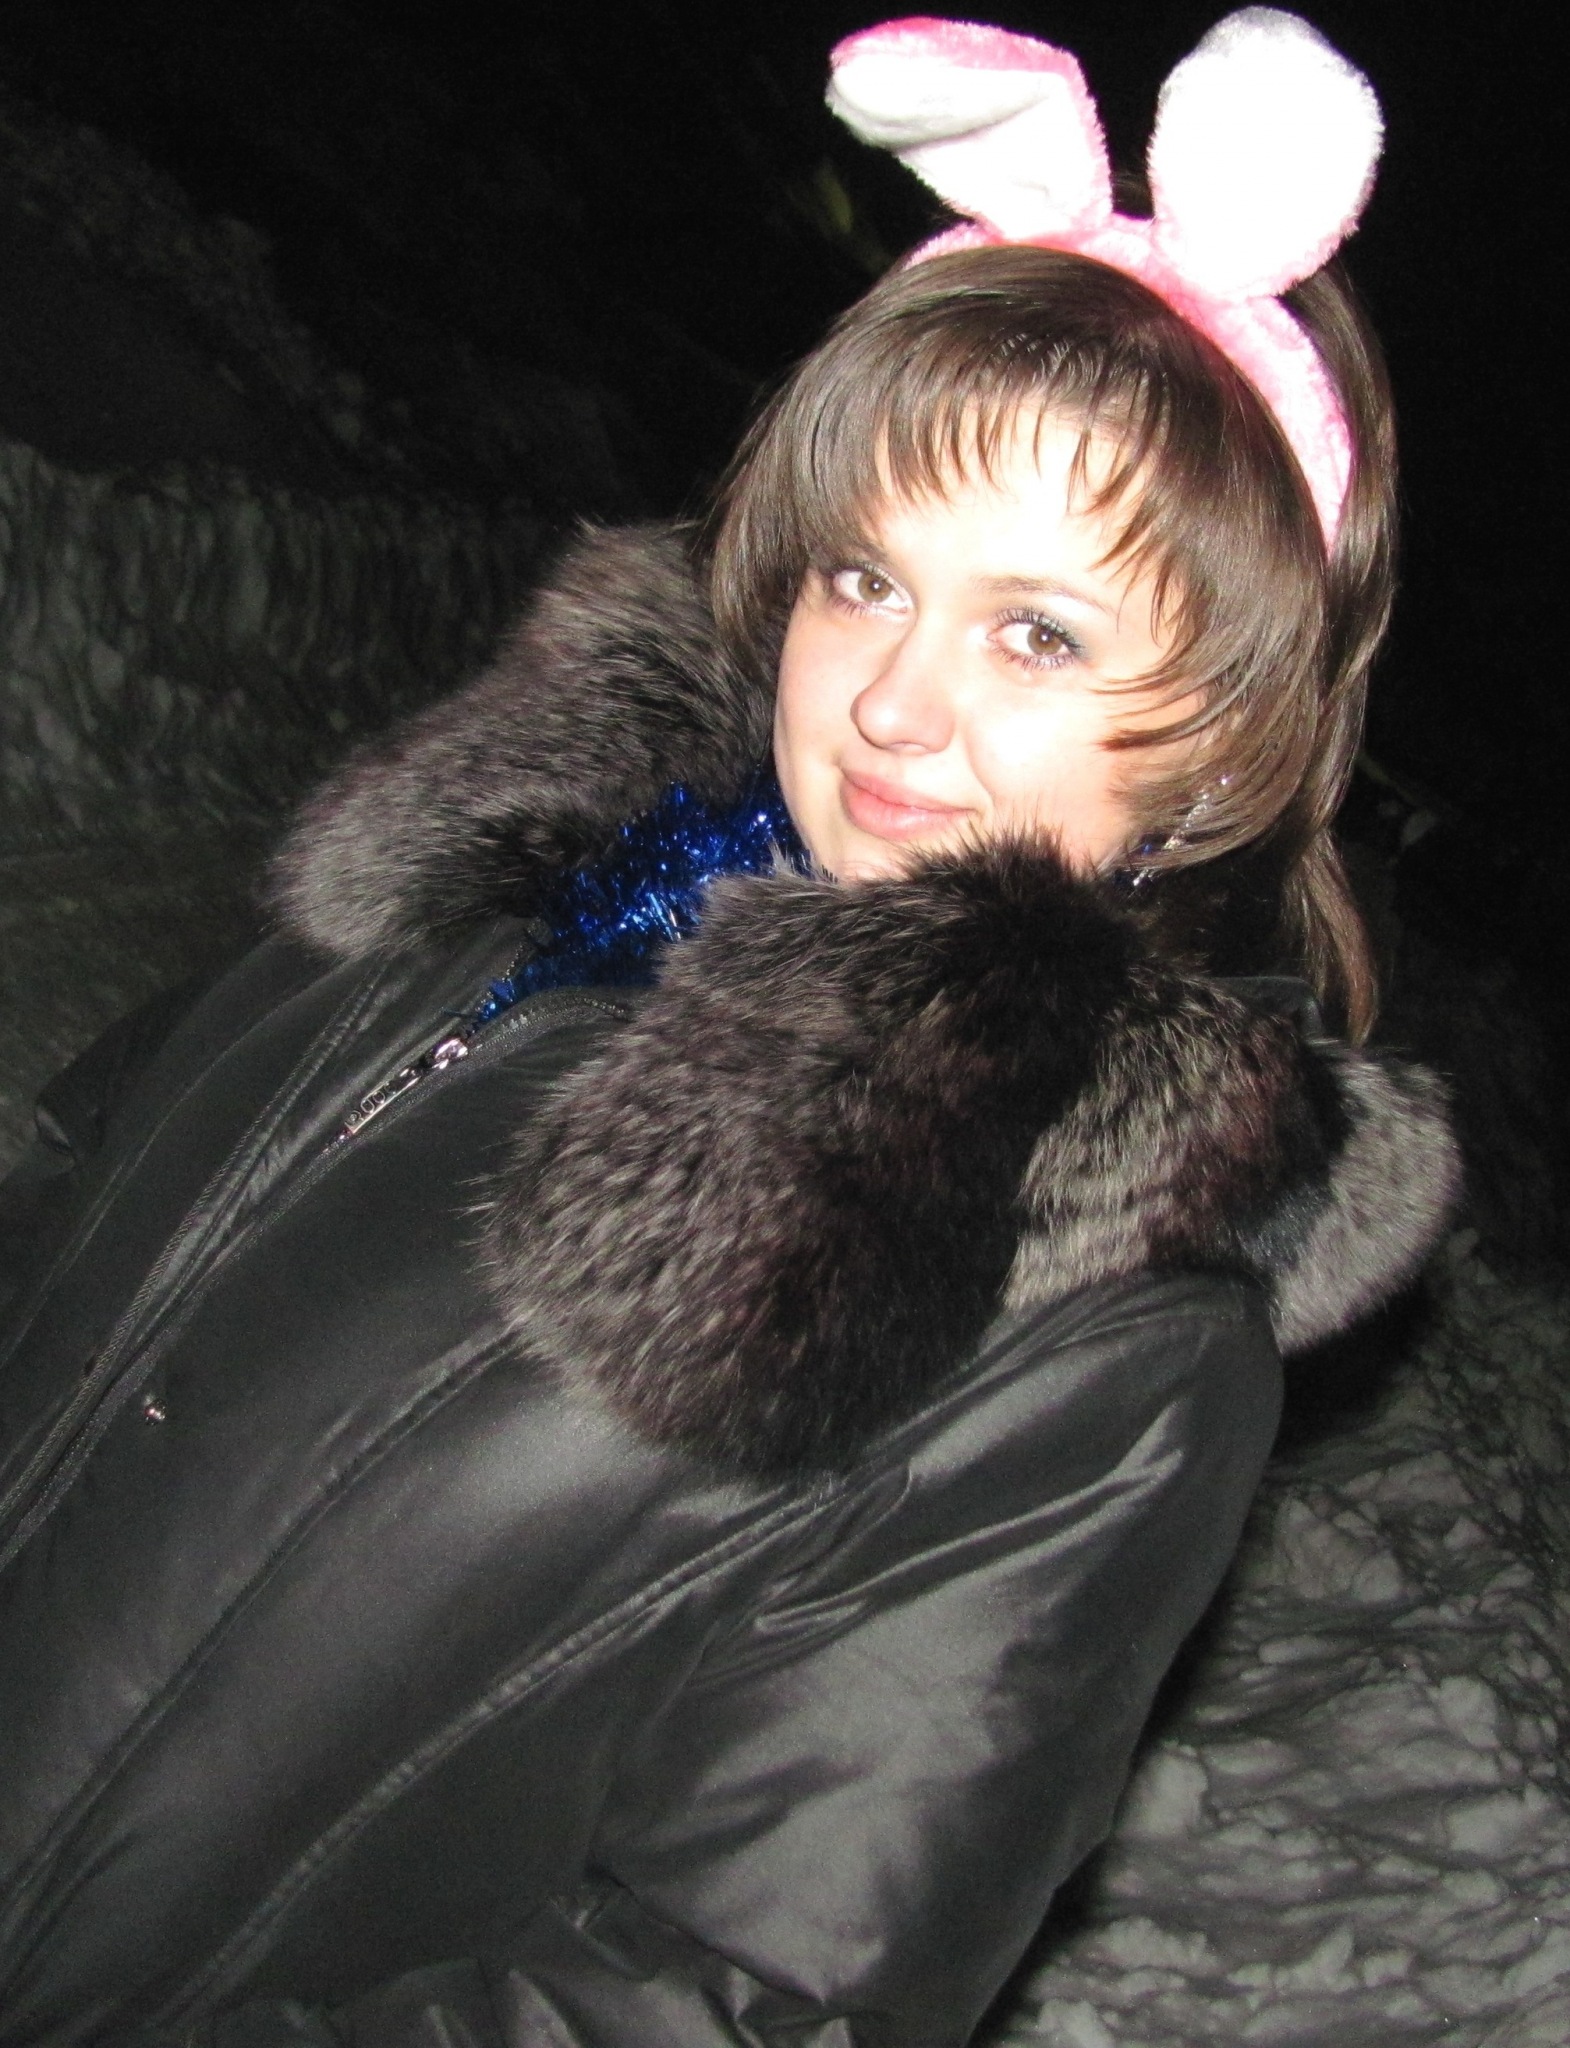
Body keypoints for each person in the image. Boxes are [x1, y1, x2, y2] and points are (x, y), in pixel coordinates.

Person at [0, 12, 1458, 2045]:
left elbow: (740, 1996)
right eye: (866, 577)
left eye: (1035, 633)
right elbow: (69, 1180)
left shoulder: (1085, 1336)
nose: (891, 702)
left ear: (1218, 747)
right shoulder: (519, 875)